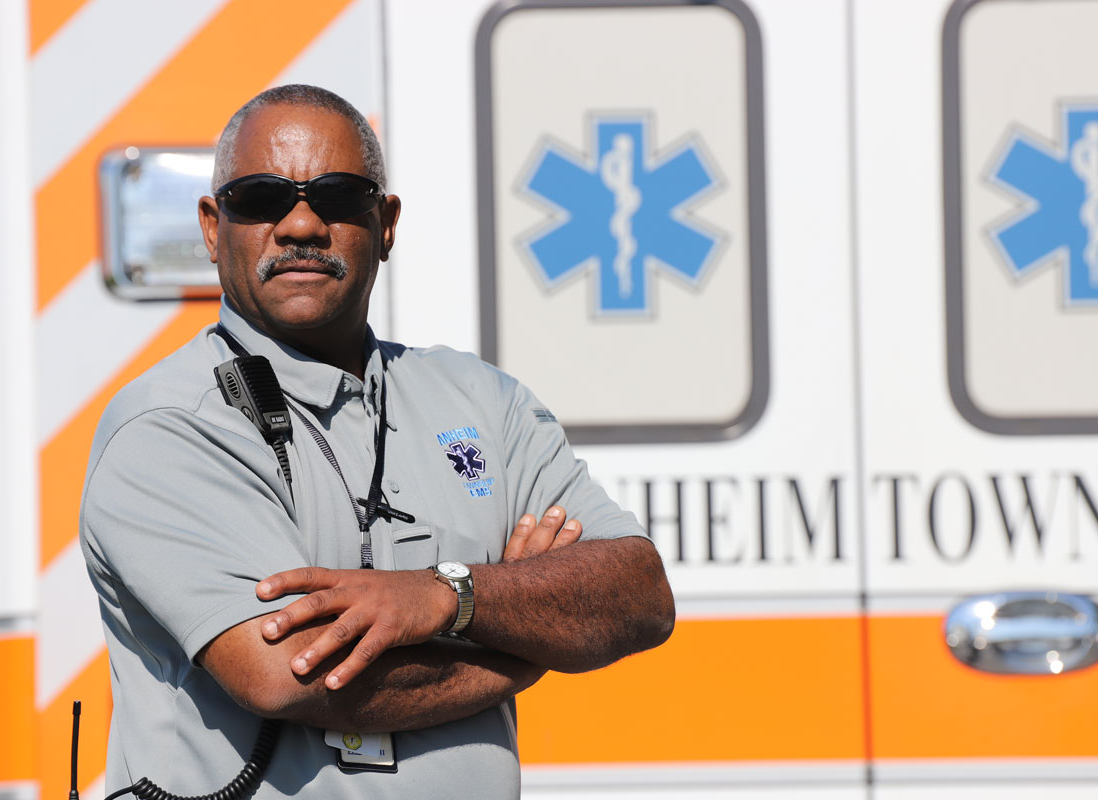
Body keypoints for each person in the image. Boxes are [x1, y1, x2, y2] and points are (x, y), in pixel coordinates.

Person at [80, 84, 674, 800]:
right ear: (213, 227)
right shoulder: (168, 425)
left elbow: (639, 593)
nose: (300, 223)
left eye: (337, 195)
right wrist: (522, 639)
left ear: (385, 223)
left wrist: (445, 595)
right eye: (262, 197)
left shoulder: (482, 401)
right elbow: (290, 673)